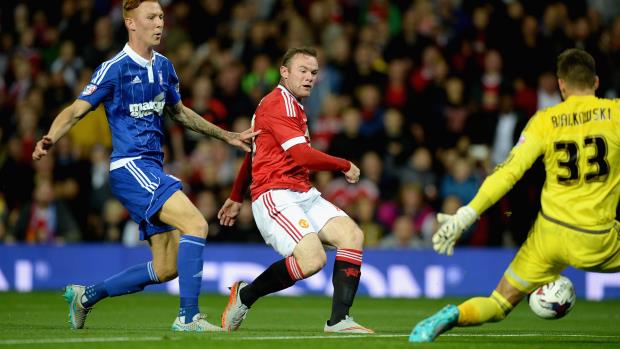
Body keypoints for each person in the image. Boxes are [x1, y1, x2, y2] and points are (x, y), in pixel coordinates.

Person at [32, 0, 258, 332]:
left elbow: (180, 113)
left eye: (162, 17)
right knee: (196, 224)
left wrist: (226, 135)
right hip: (129, 167)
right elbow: (76, 110)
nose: (159, 23)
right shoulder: (115, 68)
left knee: (167, 268)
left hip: (152, 168)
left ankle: (86, 297)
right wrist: (50, 136)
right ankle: (188, 317)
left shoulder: (165, 67)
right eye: (150, 17)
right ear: (130, 23)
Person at [409, 48, 620, 342]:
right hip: (598, 237)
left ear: (561, 84)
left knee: (497, 303)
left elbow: (508, 172)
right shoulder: (616, 114)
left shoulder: (545, 121)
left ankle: (454, 315)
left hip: (549, 236)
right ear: (596, 82)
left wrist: (469, 212)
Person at [217, 47, 374, 334]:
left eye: (314, 72)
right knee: (313, 260)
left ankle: (339, 321)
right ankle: (245, 296)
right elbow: (302, 155)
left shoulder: (293, 106)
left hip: (301, 191)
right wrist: (343, 165)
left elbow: (254, 152)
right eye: (302, 70)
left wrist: (235, 195)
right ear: (284, 72)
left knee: (352, 235)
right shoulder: (279, 104)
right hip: (274, 193)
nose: (309, 77)